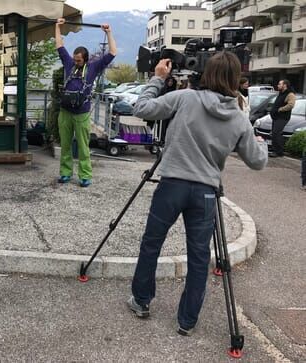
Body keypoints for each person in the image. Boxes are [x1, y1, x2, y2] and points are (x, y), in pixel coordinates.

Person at [127, 53, 268, 336]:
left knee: (151, 243)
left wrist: (158, 77)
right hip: (205, 192)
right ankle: (187, 321)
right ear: (235, 80)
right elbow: (257, 161)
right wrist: (259, 141)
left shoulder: (186, 98)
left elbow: (142, 108)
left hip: (171, 186)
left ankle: (141, 301)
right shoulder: (240, 119)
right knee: (200, 257)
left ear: (206, 72)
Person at [55, 18, 116, 187]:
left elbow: (112, 52)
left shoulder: (94, 67)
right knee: (65, 144)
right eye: (74, 59)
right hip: (65, 111)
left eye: (79, 60)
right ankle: (65, 173)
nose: (76, 62)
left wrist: (109, 32)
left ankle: (85, 176)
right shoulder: (68, 63)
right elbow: (59, 46)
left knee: (83, 146)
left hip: (82, 113)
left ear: (86, 59)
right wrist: (57, 27)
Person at [269, 79, 296, 157]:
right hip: (276, 117)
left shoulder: (290, 94)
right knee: (275, 133)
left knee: (276, 133)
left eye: (279, 84)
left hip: (283, 117)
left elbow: (291, 105)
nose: (278, 85)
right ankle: (277, 151)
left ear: (285, 85)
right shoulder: (281, 93)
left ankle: (278, 152)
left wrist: (280, 109)